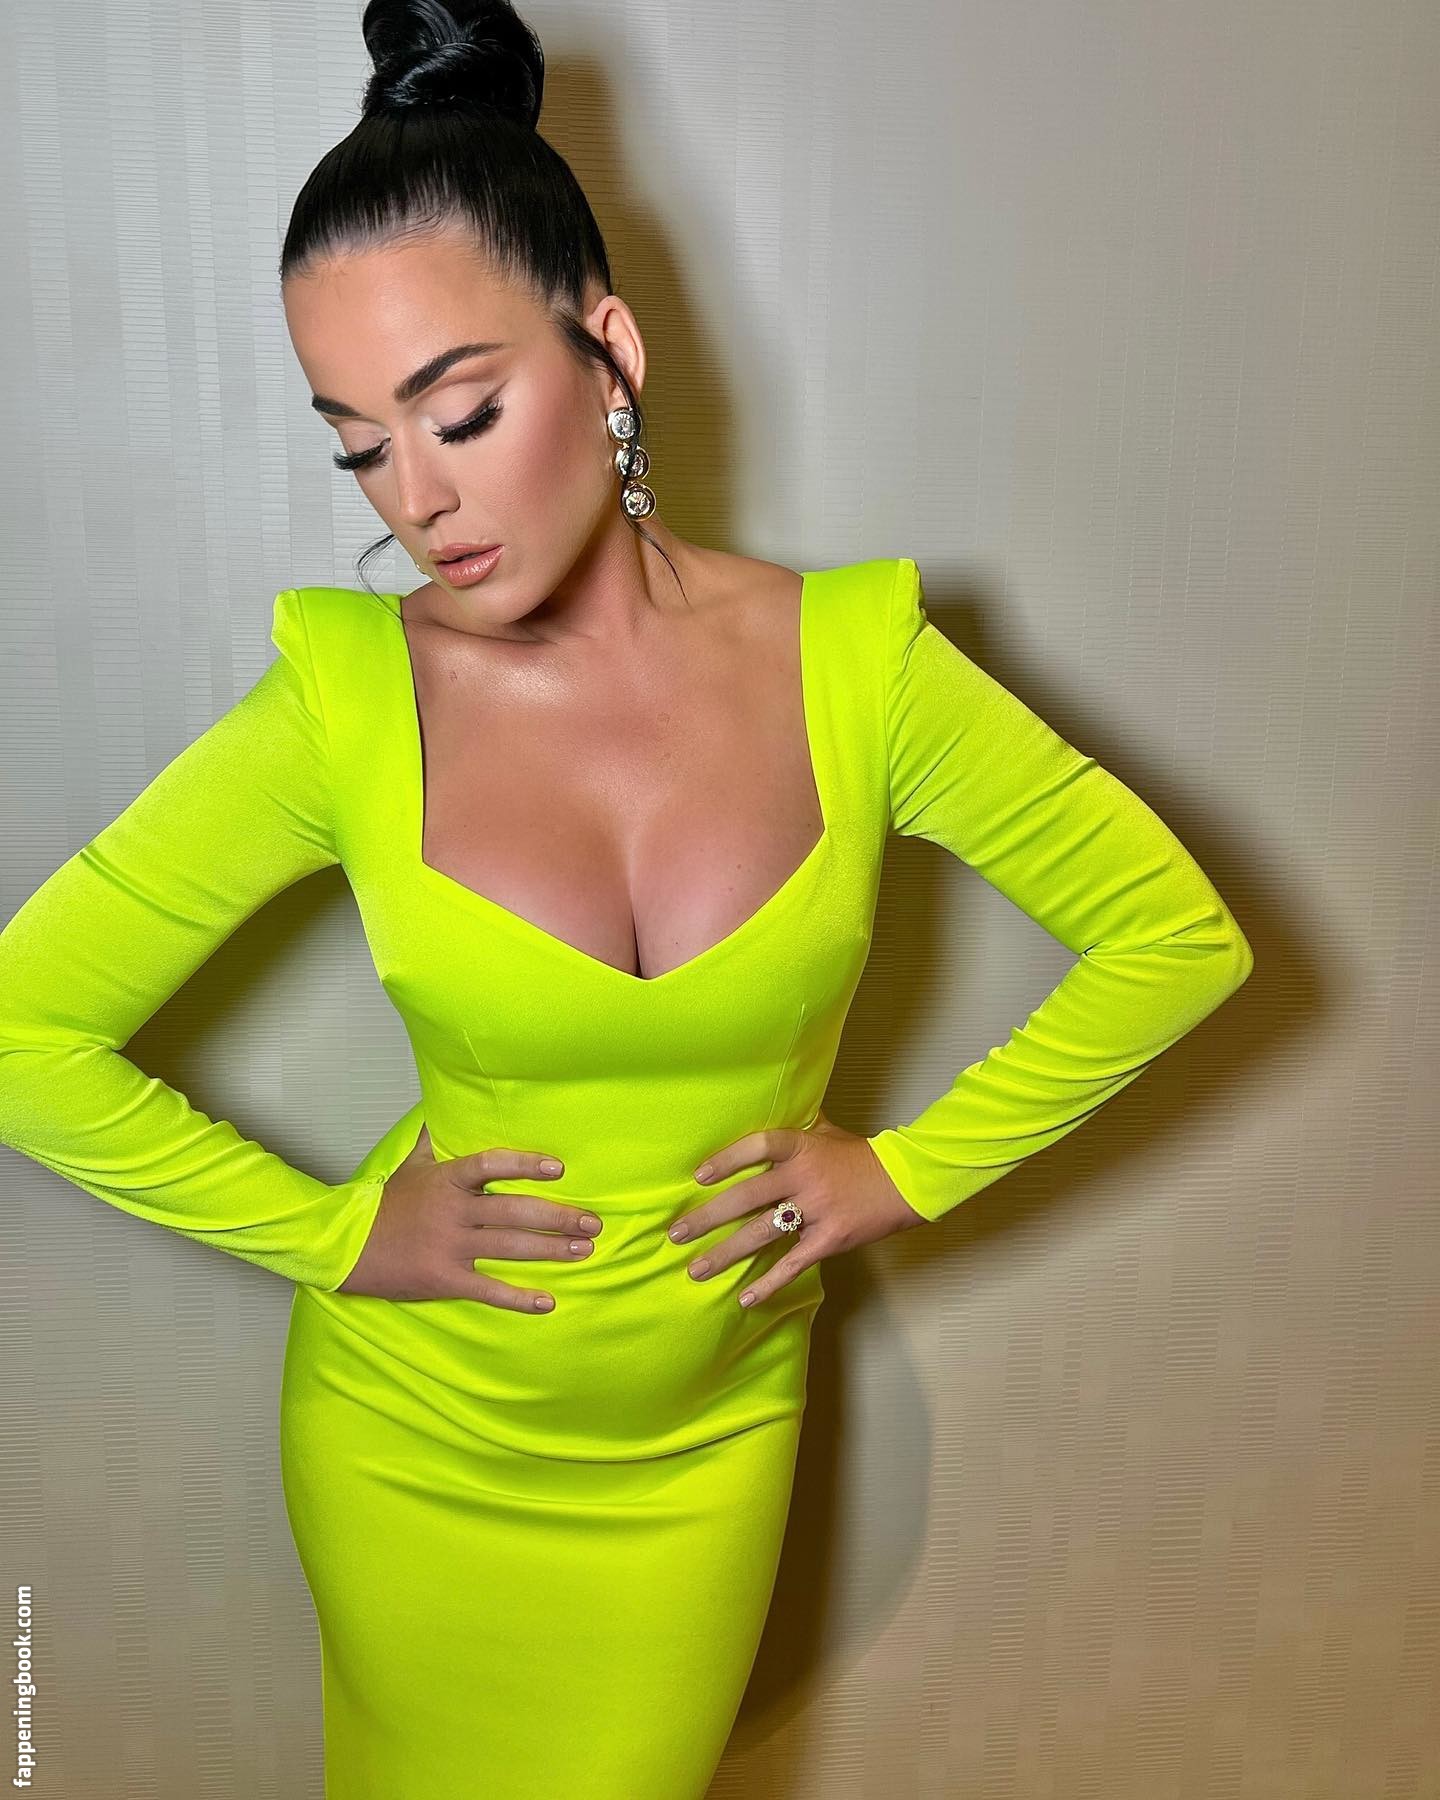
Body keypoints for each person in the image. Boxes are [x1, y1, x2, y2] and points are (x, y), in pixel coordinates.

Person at [0, 1, 1255, 1794]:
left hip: (703, 1452)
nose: (420, 500)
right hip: (413, 1437)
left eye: (462, 411)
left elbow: (1173, 937)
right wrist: (337, 1236)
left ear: (609, 353)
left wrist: (906, 1171)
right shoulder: (345, 705)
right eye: (359, 445)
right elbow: (23, 1032)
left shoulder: (861, 666)